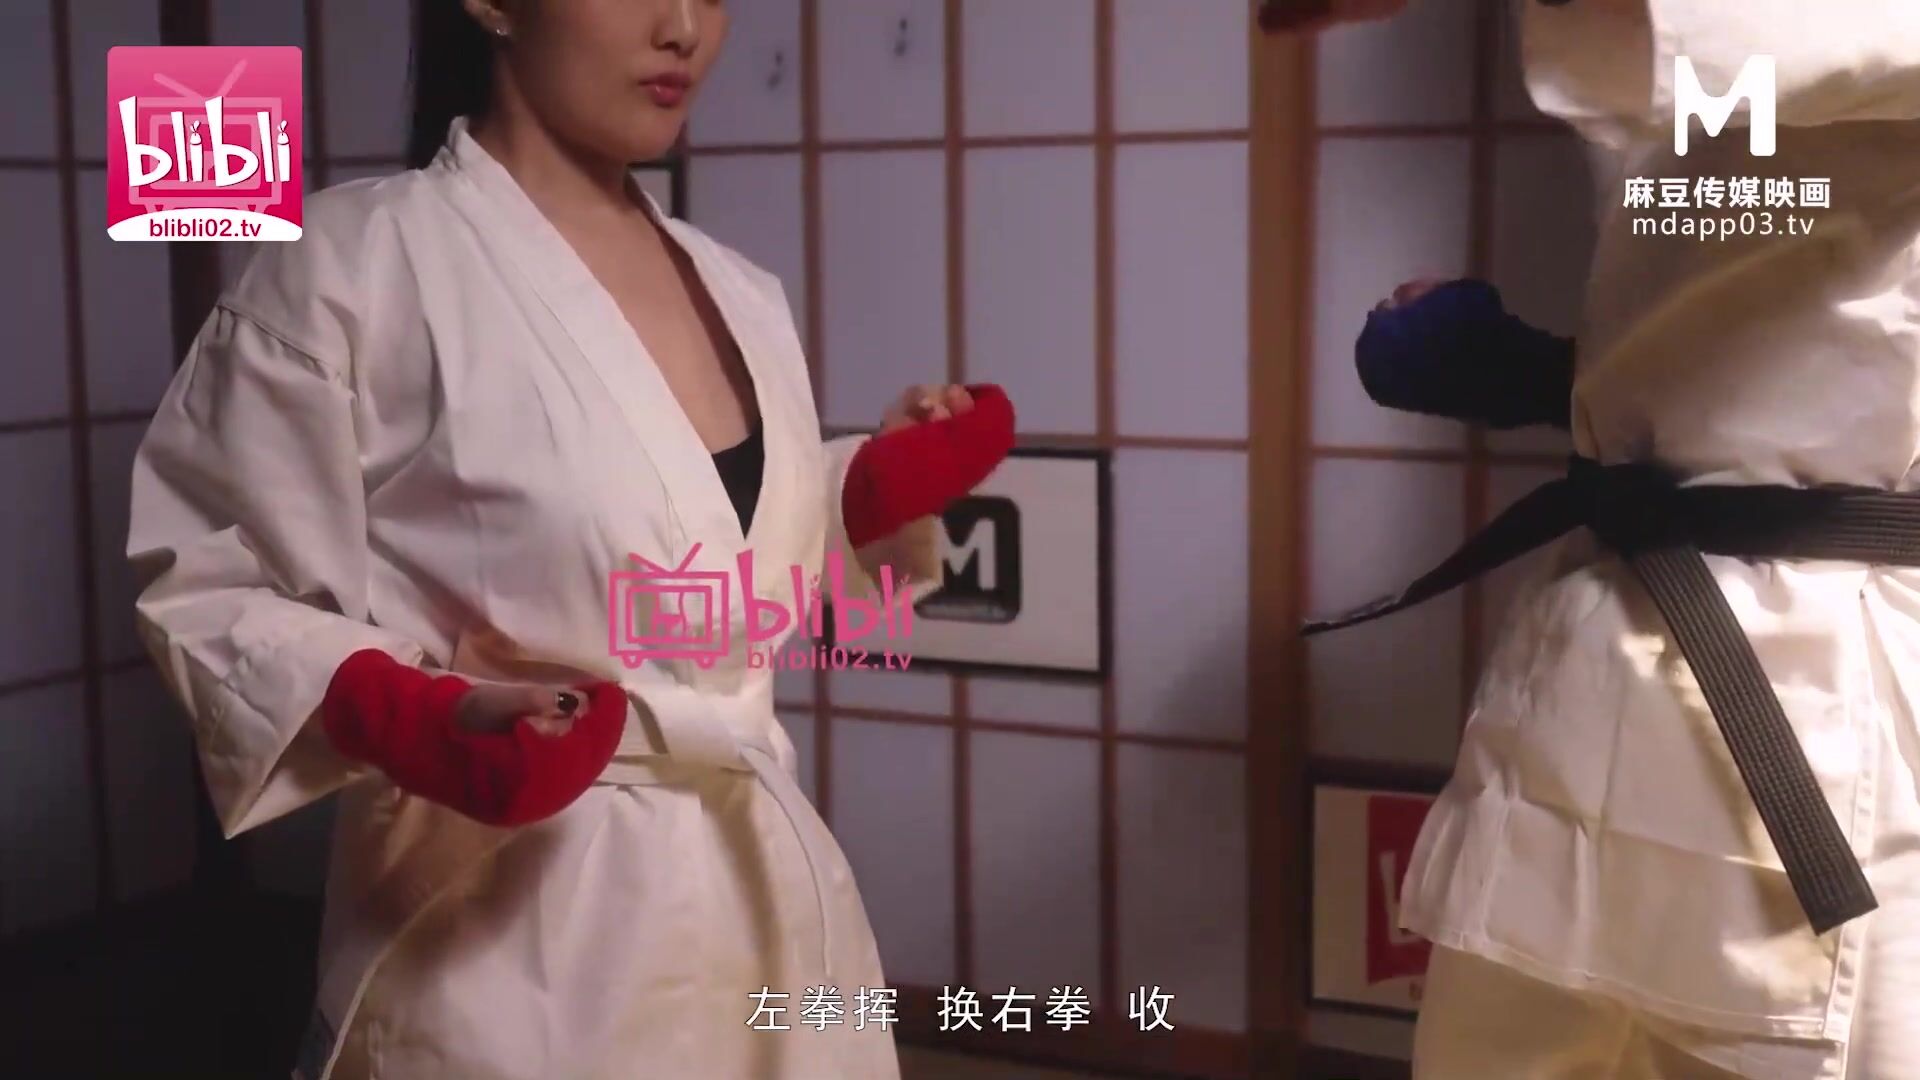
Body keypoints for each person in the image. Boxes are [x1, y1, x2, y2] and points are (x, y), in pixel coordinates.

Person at [126, 1, 1013, 1077]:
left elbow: (697, 557)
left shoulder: (738, 287)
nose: (684, 27)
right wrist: (413, 716)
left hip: (758, 908)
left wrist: (862, 492)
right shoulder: (352, 265)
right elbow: (216, 579)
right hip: (509, 946)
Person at [1304, 1, 1920, 1077]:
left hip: (1813, 695)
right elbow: (1778, 282)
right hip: (1587, 663)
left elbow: (1673, 36)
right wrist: (1557, 375)